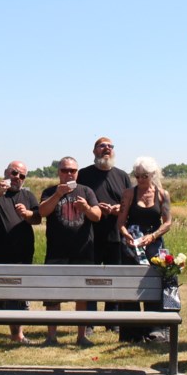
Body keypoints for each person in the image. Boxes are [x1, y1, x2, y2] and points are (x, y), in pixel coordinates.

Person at [38, 156, 102, 346]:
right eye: (65, 170)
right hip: (57, 252)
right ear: (58, 172)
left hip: (82, 252)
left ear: (77, 172)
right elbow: (42, 212)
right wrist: (58, 195)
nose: (68, 174)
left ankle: (81, 336)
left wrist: (87, 208)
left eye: (72, 171)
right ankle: (51, 336)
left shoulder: (86, 191)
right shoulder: (50, 191)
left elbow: (97, 216)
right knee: (52, 297)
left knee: (81, 296)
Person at [0, 160, 40, 345]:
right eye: (14, 173)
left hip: (20, 257)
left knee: (18, 299)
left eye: (22, 176)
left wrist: (27, 214)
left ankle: (17, 335)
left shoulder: (28, 196)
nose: (17, 178)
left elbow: (37, 218)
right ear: (6, 172)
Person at [77, 137, 132, 326]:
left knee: (113, 279)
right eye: (102, 146)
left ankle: (112, 321)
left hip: (115, 235)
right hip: (88, 235)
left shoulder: (122, 176)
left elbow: (129, 203)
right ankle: (90, 321)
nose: (106, 149)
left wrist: (118, 209)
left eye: (110, 146)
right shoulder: (83, 174)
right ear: (94, 151)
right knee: (90, 279)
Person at [117, 156, 173, 343]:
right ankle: (131, 332)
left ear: (153, 175)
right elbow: (121, 222)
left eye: (144, 176)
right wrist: (126, 235)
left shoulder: (162, 194)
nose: (140, 180)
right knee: (132, 286)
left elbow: (167, 222)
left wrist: (153, 236)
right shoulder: (129, 194)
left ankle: (155, 329)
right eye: (137, 176)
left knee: (155, 285)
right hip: (133, 243)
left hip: (154, 243)